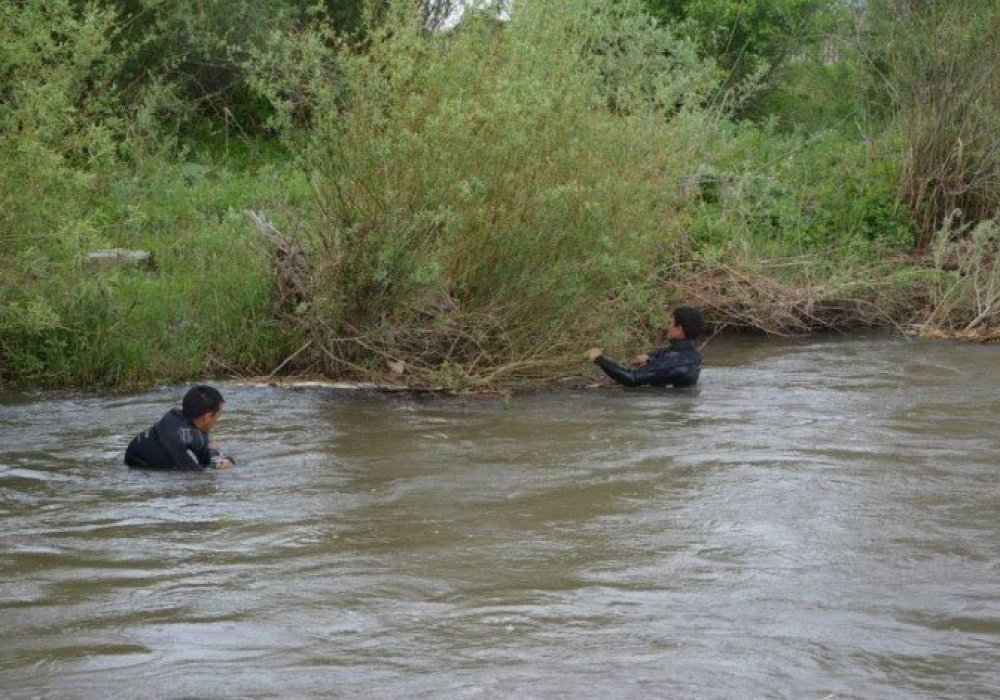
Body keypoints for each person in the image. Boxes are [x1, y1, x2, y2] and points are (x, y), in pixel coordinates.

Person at [586, 306, 705, 387]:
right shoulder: (693, 353)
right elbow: (666, 354)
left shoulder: (674, 360)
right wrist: (649, 358)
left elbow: (632, 379)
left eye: (670, 323)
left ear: (679, 330)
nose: (666, 326)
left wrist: (599, 359)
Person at [124, 385, 234, 470]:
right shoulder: (180, 441)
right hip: (138, 469)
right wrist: (223, 466)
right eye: (218, 416)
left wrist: (214, 455)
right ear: (206, 417)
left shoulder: (177, 417)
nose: (217, 421)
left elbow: (203, 457)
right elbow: (195, 478)